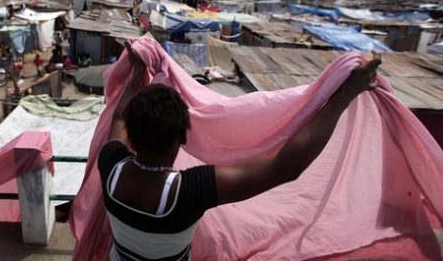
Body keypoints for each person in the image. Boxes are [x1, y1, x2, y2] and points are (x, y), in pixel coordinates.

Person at [98, 43, 381, 261]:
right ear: (183, 136)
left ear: (132, 136)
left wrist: (137, 69)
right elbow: (285, 167)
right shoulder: (188, 192)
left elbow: (120, 117)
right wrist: (345, 94)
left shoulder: (111, 166)